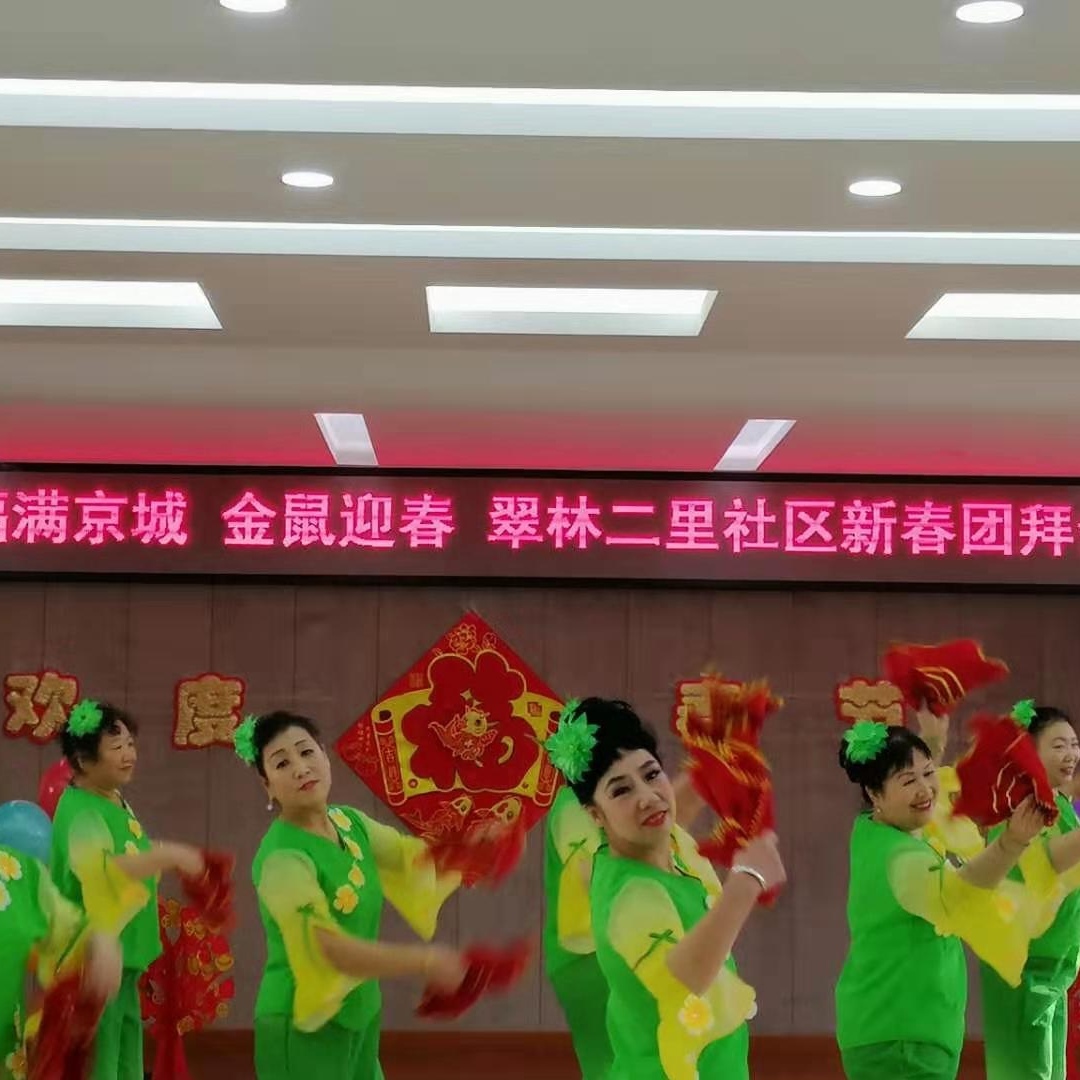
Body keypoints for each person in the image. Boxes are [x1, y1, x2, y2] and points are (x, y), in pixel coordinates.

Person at [545, 697, 784, 1080]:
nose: (647, 796)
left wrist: (722, 752)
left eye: (652, 774)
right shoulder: (632, 896)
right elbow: (687, 975)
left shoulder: (666, 843)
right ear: (595, 815)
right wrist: (747, 879)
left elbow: (675, 805)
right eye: (621, 791)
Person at [235, 710, 472, 1079]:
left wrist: (475, 847)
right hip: (302, 1023)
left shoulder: (349, 822)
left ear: (325, 757)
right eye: (282, 763)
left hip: (360, 1011)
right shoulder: (282, 859)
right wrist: (424, 961)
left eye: (306, 752)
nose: (301, 768)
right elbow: (326, 947)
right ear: (268, 786)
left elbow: (415, 859)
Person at [835, 721, 1046, 1080]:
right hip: (902, 1038)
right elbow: (956, 897)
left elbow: (930, 794)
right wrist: (1012, 842)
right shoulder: (901, 859)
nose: (925, 789)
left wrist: (932, 736)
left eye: (928, 772)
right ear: (874, 794)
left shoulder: (873, 828)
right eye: (908, 781)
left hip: (899, 1030)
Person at [50, 700, 206, 1080]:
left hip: (124, 953)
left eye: (131, 744)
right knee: (102, 1058)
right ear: (83, 760)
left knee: (126, 1050)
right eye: (116, 747)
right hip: (97, 955)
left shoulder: (113, 798)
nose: (129, 754)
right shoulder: (82, 811)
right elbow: (102, 871)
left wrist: (165, 857)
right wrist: (167, 855)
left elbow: (130, 855)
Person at [982, 704, 1080, 1080]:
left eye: (1074, 744)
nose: (1070, 754)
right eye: (1058, 745)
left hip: (1054, 966)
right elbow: (1049, 863)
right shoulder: (1022, 803)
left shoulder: (1058, 801)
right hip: (1025, 970)